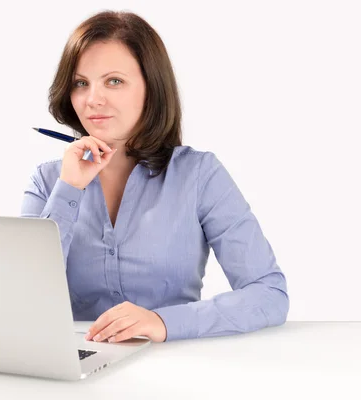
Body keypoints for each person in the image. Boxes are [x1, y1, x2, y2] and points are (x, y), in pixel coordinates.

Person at [21, 10, 289, 343]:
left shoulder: (199, 175)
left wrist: (163, 322)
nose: (93, 100)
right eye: (80, 83)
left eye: (114, 81)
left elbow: (269, 294)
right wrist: (69, 189)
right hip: (77, 366)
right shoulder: (48, 182)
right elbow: (20, 301)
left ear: (152, 87)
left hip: (172, 365)